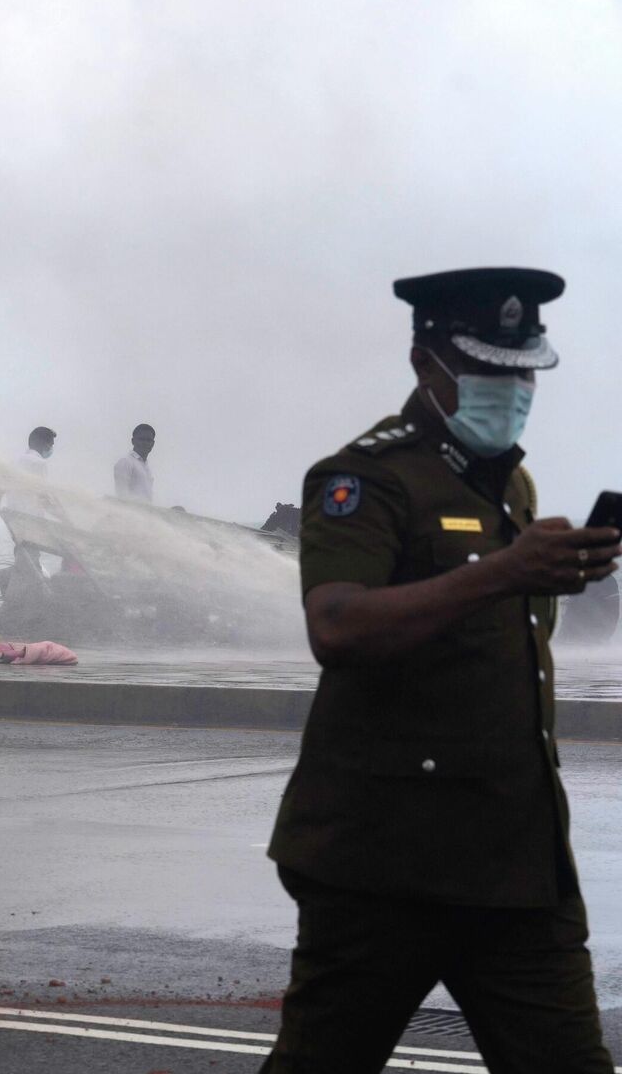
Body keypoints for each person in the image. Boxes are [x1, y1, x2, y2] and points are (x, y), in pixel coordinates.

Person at [260, 268, 621, 1072]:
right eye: (491, 370)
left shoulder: (511, 485)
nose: (513, 387)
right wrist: (506, 571)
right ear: (428, 365)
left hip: (518, 863)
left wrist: (553, 570)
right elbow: (337, 625)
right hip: (383, 867)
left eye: (523, 371)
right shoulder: (366, 478)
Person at [0, 425, 56, 551]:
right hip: (32, 526)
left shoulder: (13, 462)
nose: (51, 449)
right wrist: (65, 518)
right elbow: (44, 499)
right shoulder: (40, 464)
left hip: (14, 525)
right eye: (50, 445)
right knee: (31, 560)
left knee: (22, 556)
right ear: (42, 444)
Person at [113, 423, 156, 504]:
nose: (145, 443)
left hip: (144, 514)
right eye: (141, 439)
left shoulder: (146, 467)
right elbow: (121, 495)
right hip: (130, 513)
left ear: (153, 444)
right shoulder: (126, 462)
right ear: (133, 441)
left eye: (148, 440)